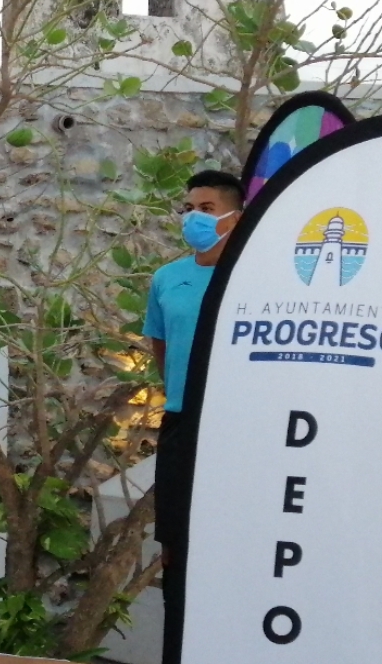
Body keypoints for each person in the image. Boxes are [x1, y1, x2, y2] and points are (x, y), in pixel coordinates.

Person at [143, 170, 244, 664]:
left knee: (230, 545)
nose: (194, 218)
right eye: (189, 208)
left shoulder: (253, 278)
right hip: (182, 423)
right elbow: (160, 347)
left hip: (237, 430)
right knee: (175, 546)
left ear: (234, 215)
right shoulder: (167, 278)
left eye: (206, 208)